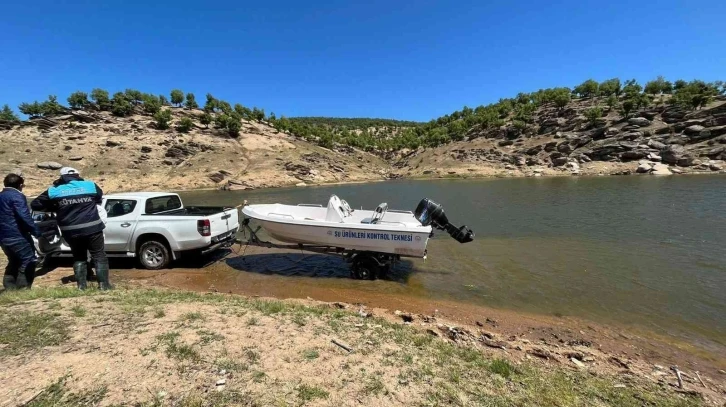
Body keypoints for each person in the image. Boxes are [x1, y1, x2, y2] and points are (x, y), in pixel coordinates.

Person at [31, 167, 111, 290]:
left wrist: (57, 207)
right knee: (99, 255)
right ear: (77, 175)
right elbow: (99, 198)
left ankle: (81, 287)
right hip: (93, 227)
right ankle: (104, 286)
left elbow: (35, 204)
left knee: (79, 257)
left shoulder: (54, 190)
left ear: (62, 177)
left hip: (70, 230)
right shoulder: (90, 185)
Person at [0, 173, 40, 290]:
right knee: (29, 260)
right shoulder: (17, 196)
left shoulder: (1, 195)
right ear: (20, 185)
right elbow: (24, 216)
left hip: (3, 236)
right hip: (17, 234)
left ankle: (9, 288)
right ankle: (23, 289)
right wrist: (36, 231)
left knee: (14, 260)